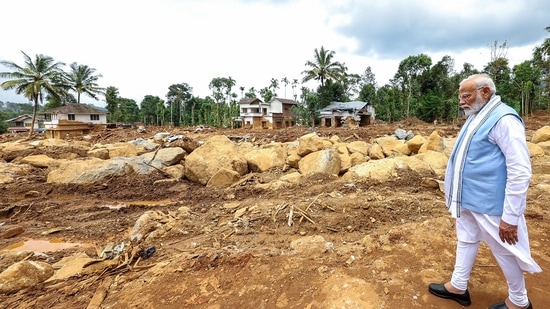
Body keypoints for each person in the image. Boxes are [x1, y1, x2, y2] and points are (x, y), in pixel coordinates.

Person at [428, 74, 541, 309]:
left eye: (466, 96)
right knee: (466, 239)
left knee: (504, 249)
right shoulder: (477, 115)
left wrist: (510, 217)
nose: (461, 101)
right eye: (460, 96)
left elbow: (520, 169)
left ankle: (519, 302)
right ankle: (458, 286)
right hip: (467, 199)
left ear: (485, 92)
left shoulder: (504, 119)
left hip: (490, 203)